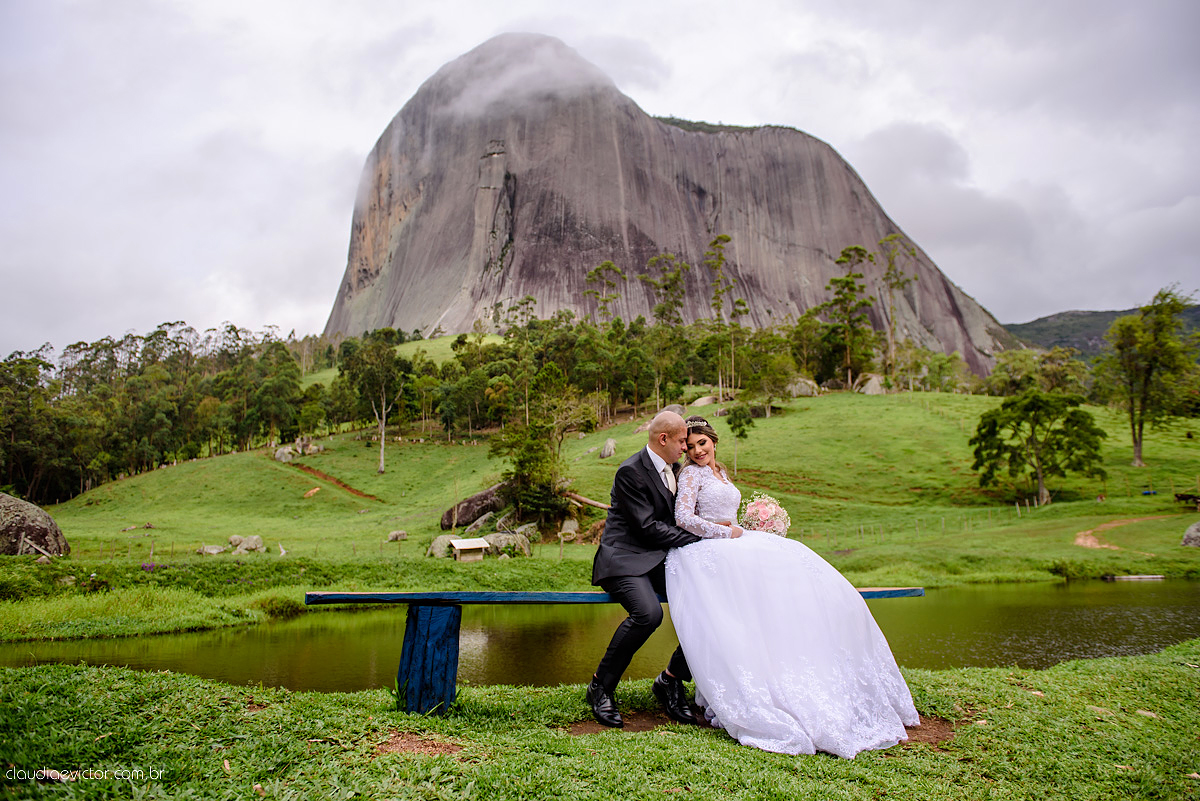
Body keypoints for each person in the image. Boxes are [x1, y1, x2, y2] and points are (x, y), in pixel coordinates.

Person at [666, 415, 919, 757]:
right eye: (691, 445)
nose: (697, 451)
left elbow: (729, 515)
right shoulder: (691, 474)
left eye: (702, 443)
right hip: (712, 547)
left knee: (793, 569)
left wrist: (750, 526)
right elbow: (683, 519)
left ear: (714, 441)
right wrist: (727, 532)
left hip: (737, 539)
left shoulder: (720, 471)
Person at [588, 410, 711, 728]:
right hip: (624, 559)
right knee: (649, 614)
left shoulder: (674, 469)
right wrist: (704, 535)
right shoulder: (630, 471)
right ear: (664, 439)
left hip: (657, 558)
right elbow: (648, 528)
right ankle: (601, 686)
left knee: (708, 607)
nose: (686, 448)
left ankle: (671, 678)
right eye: (683, 441)